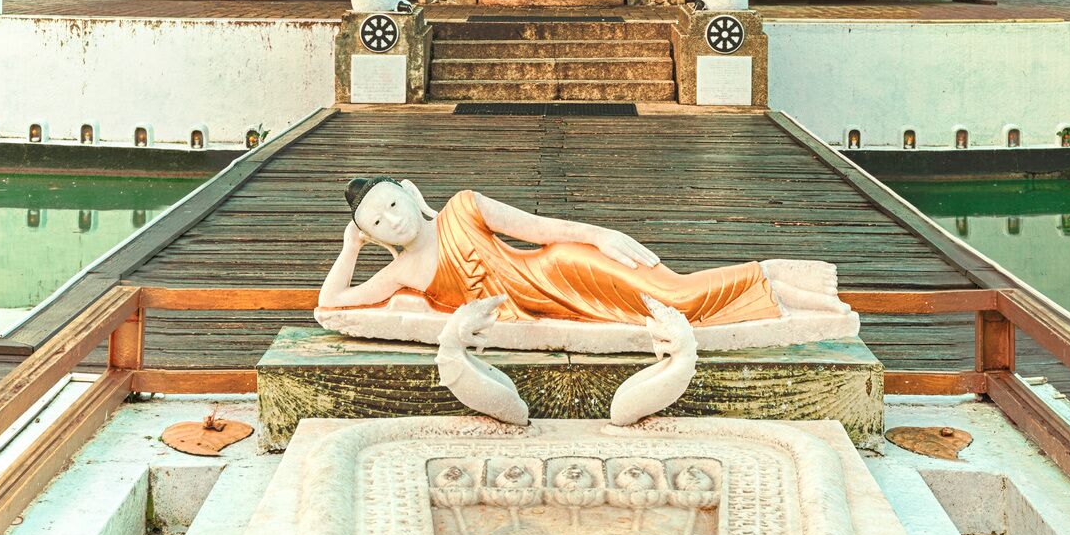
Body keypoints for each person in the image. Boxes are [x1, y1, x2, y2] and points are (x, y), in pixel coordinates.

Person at [316, 177, 845, 327]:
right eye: (377, 221)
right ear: (376, 235)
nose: (393, 217)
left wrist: (596, 235)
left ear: (409, 191)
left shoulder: (464, 206)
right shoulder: (403, 272)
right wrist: (349, 246)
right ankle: (780, 290)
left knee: (677, 299)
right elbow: (332, 302)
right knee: (674, 305)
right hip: (549, 306)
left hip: (564, 268)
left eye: (391, 202)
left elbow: (540, 229)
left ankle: (778, 281)